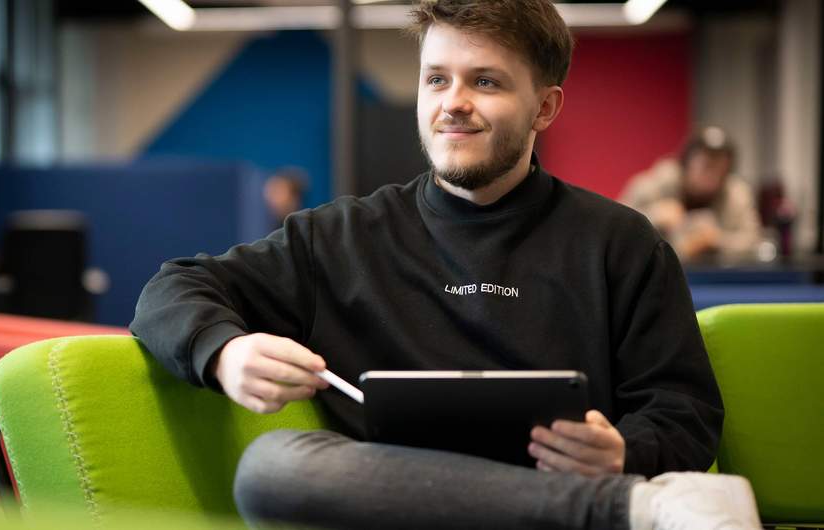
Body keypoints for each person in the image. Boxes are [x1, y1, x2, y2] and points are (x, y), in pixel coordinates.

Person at [131, 1, 762, 528]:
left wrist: (624, 450)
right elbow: (173, 287)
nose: (452, 102)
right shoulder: (339, 237)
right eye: (437, 79)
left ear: (544, 108)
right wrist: (225, 351)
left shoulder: (621, 243)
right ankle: (623, 511)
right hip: (412, 506)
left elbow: (684, 411)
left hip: (558, 499)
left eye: (485, 82)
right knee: (274, 467)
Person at [618, 127, 761, 261]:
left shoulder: (736, 194)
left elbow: (753, 240)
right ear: (686, 163)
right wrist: (654, 215)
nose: (713, 176)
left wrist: (716, 240)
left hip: (715, 275)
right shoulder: (655, 184)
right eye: (706, 166)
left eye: (721, 169)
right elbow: (617, 227)